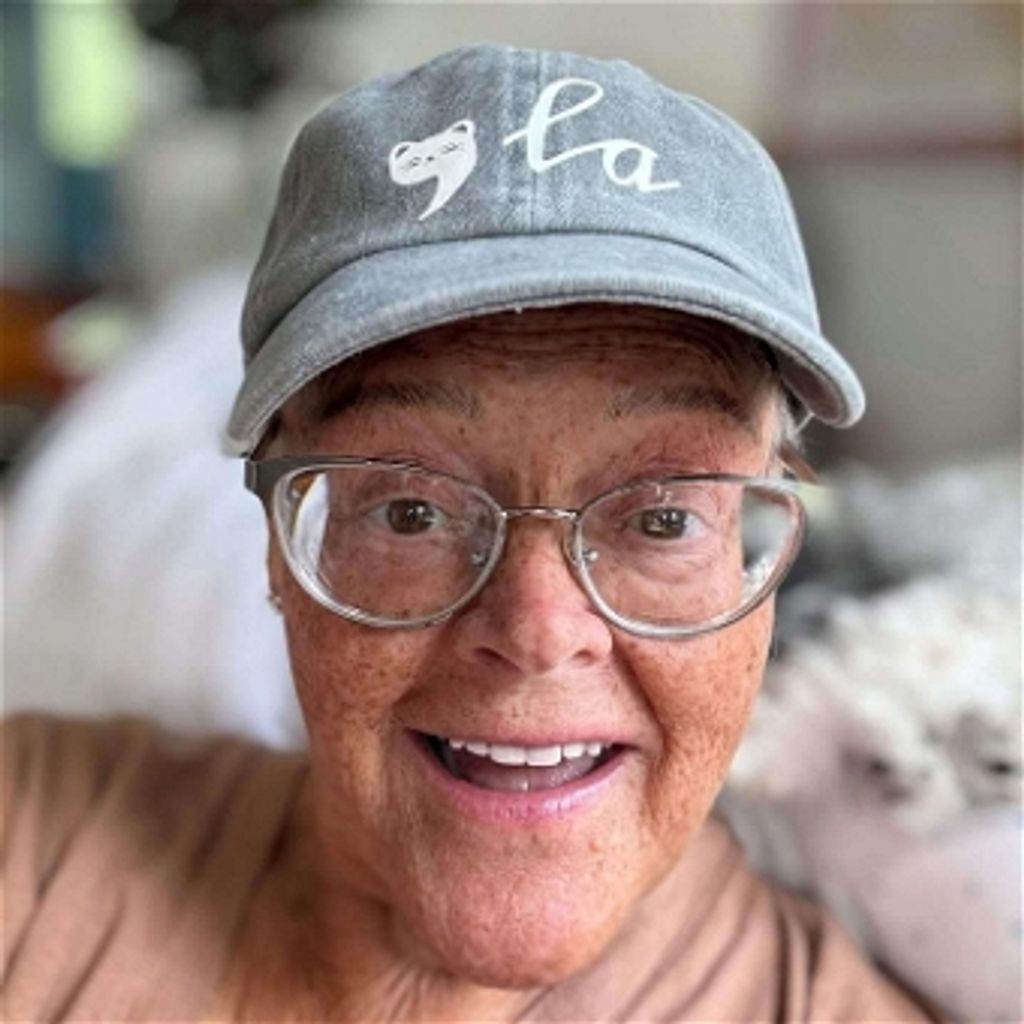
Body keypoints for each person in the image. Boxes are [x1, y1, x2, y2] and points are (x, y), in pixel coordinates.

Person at [3, 45, 943, 1021]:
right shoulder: (33, 843)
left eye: (663, 519)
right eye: (410, 512)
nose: (537, 632)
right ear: (284, 546)